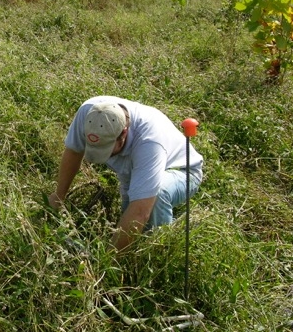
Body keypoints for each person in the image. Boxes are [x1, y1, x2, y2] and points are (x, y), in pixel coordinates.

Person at [48, 96, 203, 252]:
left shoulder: (149, 142)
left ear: (123, 134)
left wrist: (107, 266)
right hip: (134, 170)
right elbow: (74, 152)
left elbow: (140, 212)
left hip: (182, 171)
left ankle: (161, 254)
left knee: (155, 201)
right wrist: (59, 196)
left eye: (106, 149)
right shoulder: (89, 113)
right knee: (127, 229)